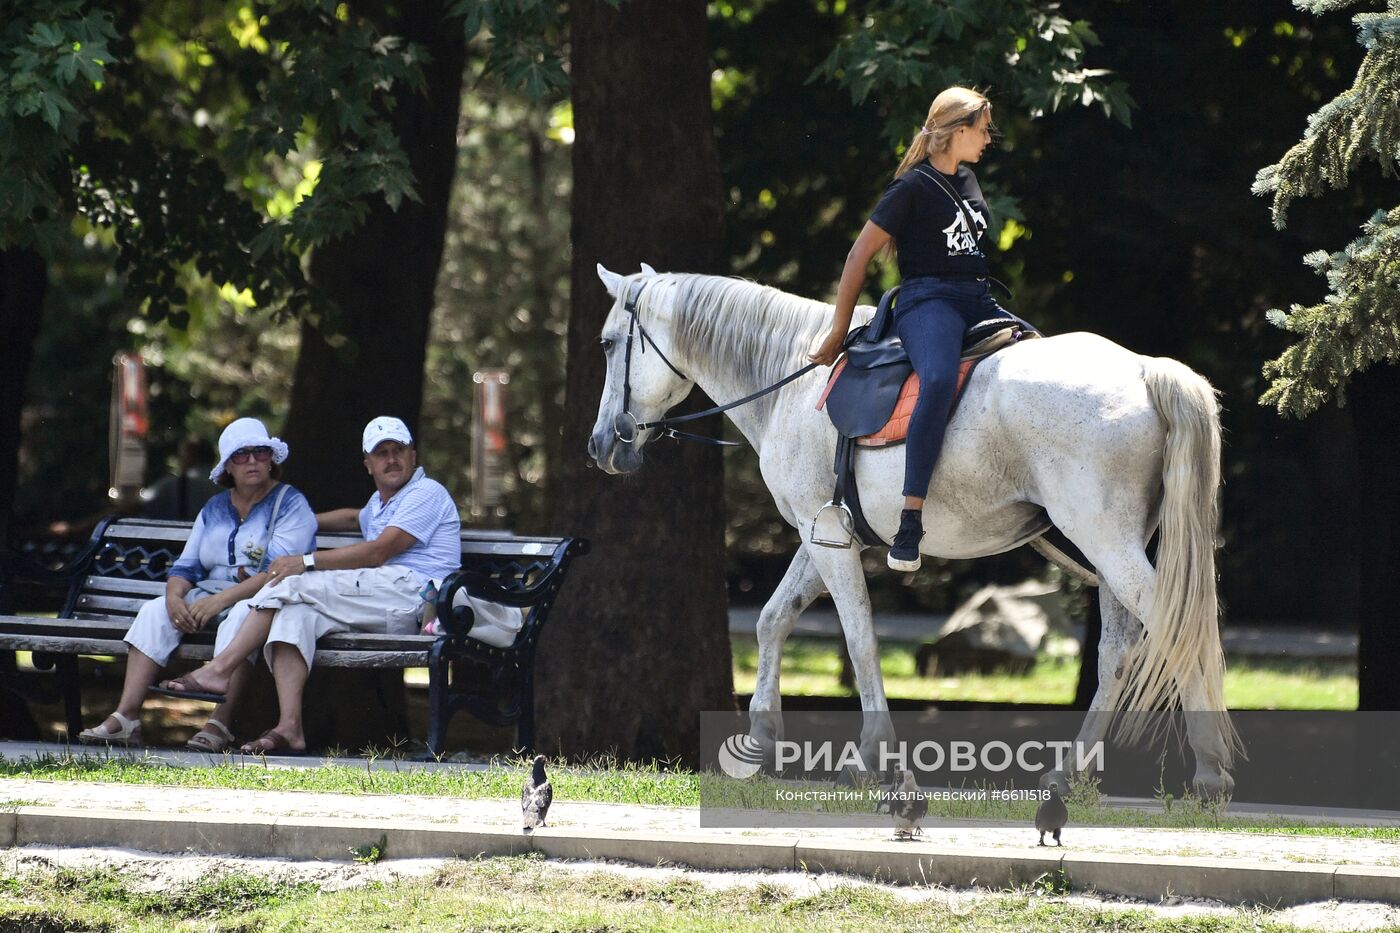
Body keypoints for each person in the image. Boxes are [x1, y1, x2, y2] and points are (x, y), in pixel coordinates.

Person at [155, 416, 515, 755]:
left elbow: (379, 552)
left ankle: (219, 670)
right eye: (381, 453)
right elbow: (351, 517)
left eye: (398, 450)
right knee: (293, 614)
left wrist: (306, 561)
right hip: (384, 601)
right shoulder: (379, 504)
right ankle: (290, 726)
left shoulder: (426, 493)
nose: (391, 459)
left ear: (413, 455)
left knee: (289, 583)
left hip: (421, 597)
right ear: (368, 464)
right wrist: (286, 520)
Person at [810, 86, 1024, 574]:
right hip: (928, 301)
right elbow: (859, 256)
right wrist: (837, 329)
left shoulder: (967, 178)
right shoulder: (909, 188)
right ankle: (911, 517)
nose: (989, 138)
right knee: (939, 380)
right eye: (983, 128)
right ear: (957, 131)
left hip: (977, 297)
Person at [78, 418, 317, 750]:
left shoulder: (290, 503)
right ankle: (126, 717)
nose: (252, 461)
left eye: (260, 453)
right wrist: (175, 597)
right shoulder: (214, 508)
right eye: (241, 455)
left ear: (271, 459)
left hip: (263, 597)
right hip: (206, 595)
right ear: (227, 467)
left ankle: (218, 725)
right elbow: (186, 566)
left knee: (241, 617)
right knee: (154, 611)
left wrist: (220, 601)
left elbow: (277, 572)